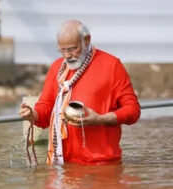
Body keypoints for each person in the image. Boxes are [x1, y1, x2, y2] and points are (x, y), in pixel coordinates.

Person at [19, 20, 140, 165]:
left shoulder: (111, 65)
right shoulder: (57, 68)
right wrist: (33, 114)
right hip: (61, 164)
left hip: (101, 165)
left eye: (72, 49)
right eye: (62, 50)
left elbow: (133, 111)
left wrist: (101, 119)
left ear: (87, 40)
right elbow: (45, 111)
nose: (67, 56)